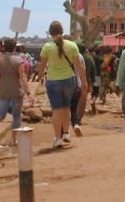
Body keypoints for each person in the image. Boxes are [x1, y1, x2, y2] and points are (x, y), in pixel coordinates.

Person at [36, 21, 87, 149]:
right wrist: (84, 81)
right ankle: (66, 133)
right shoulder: (72, 45)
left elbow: (42, 65)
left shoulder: (47, 47)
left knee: (56, 110)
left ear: (50, 32)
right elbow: (79, 65)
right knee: (66, 107)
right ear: (62, 31)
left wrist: (40, 75)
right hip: (69, 80)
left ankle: (58, 138)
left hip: (53, 81)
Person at [0, 38, 32, 146]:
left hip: (3, 89)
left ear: (3, 47)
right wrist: (28, 93)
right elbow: (22, 77)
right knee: (16, 115)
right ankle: (13, 139)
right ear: (14, 48)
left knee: (1, 113)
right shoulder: (19, 61)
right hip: (16, 90)